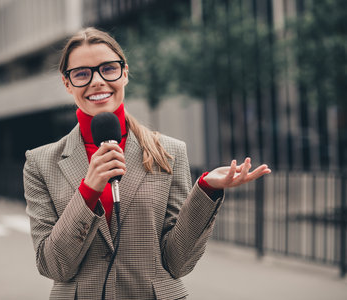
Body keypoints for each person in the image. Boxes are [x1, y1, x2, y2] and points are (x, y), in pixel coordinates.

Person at [23, 27, 271, 300]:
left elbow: (178, 262)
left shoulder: (170, 152)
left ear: (124, 73)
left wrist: (206, 190)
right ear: (67, 83)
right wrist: (88, 191)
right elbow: (53, 266)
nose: (97, 81)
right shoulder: (40, 163)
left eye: (108, 68)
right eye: (82, 73)